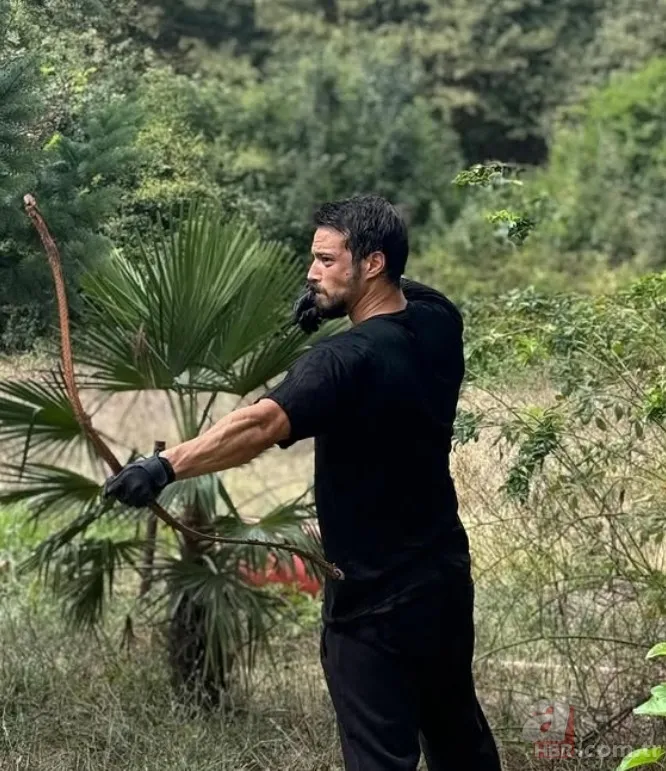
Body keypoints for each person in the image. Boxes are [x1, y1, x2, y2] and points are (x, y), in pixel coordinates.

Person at [103, 195, 503, 771]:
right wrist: (334, 298)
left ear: (372, 264)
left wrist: (162, 467)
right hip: (442, 583)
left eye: (326, 260)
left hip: (372, 604)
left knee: (379, 758)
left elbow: (261, 423)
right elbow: (409, 291)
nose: (311, 273)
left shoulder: (340, 360)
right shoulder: (440, 324)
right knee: (459, 741)